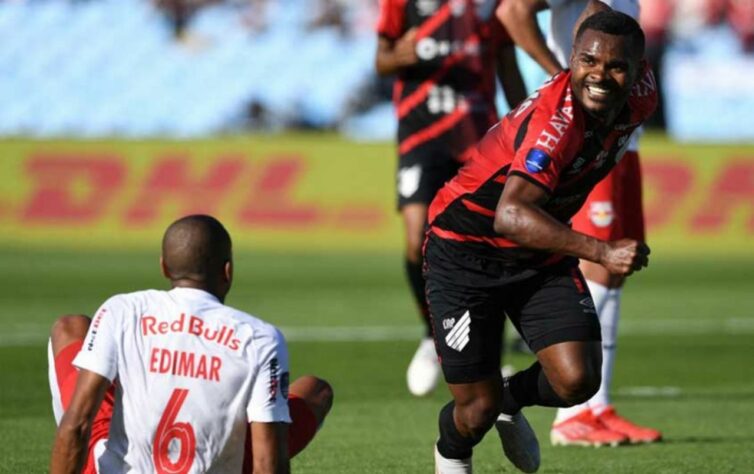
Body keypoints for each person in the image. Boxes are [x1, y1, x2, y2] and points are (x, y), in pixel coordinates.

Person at [425, 10, 657, 472]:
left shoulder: (644, 96)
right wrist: (602, 250)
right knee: (475, 412)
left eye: (616, 67)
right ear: (570, 58)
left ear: (637, 71)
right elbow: (510, 215)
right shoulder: (556, 123)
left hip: (539, 251)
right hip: (466, 250)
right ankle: (452, 455)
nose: (600, 75)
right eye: (588, 61)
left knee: (577, 381)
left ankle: (511, 398)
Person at [48, 215, 333, 474]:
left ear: (163, 267)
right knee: (315, 391)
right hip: (216, 464)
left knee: (70, 328)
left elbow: (77, 425)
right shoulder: (260, 337)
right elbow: (266, 463)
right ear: (228, 271)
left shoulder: (122, 309)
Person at [497, 0, 662, 446]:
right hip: (587, 131)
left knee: (617, 266)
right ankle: (571, 413)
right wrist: (564, 81)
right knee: (598, 257)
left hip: (622, 134)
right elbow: (512, 12)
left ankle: (597, 405)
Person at [375, 0, 528, 397]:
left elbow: (507, 65)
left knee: (492, 242)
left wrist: (527, 127)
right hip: (420, 135)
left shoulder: (493, 6)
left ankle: (489, 345)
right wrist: (399, 55)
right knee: (415, 240)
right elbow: (381, 59)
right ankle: (432, 337)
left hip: (478, 137)